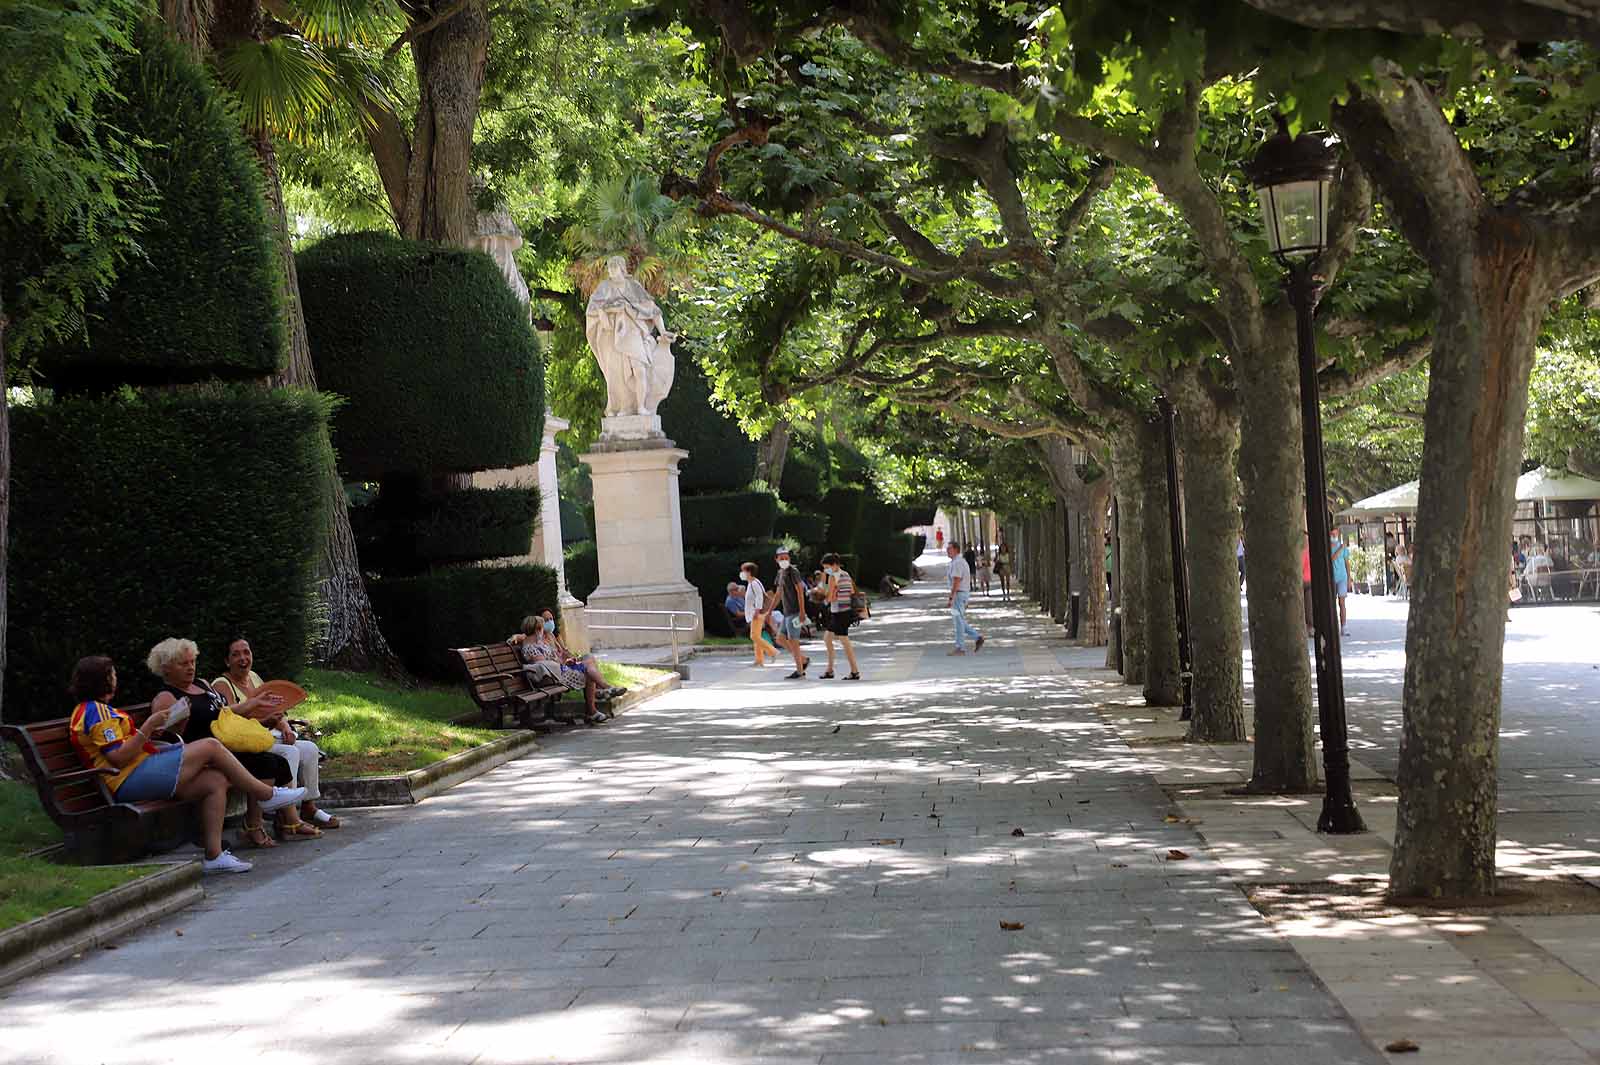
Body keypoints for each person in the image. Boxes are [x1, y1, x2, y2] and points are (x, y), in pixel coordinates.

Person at [68, 655, 305, 875]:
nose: (116, 678)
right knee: (211, 746)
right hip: (125, 780)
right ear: (103, 681)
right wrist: (148, 727)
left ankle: (214, 856)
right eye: (112, 674)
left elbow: (128, 747)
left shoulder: (99, 710)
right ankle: (266, 794)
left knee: (215, 780)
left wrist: (163, 730)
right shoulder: (95, 712)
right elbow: (118, 757)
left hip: (139, 771)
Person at [148, 637, 302, 851]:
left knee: (273, 762)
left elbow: (224, 713)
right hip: (202, 755)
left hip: (225, 744)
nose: (190, 667)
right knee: (265, 763)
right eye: (183, 664)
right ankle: (263, 812)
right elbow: (163, 736)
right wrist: (177, 725)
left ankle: (261, 815)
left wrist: (253, 704)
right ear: (166, 669)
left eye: (192, 661)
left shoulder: (202, 684)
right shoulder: (166, 697)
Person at [214, 635, 336, 835]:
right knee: (290, 753)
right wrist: (265, 722)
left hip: (270, 735)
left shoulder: (254, 677)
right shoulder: (222, 684)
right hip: (249, 743)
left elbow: (276, 710)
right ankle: (288, 817)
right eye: (236, 655)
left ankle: (308, 806)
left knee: (310, 749)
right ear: (227, 661)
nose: (243, 658)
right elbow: (229, 722)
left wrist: (285, 727)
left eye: (246, 652)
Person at [509, 616, 607, 724]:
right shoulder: (530, 647)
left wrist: (565, 661)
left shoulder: (539, 643)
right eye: (542, 628)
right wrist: (561, 662)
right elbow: (544, 665)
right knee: (588, 671)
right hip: (551, 677)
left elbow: (552, 660)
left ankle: (601, 694)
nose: (543, 631)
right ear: (537, 630)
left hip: (559, 671)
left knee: (588, 663)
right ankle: (599, 698)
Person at [539, 609, 625, 700]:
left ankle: (601, 690)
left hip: (566, 665)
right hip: (560, 670)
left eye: (551, 619)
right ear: (539, 622)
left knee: (588, 657)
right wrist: (566, 661)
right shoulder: (539, 640)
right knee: (588, 666)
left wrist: (571, 658)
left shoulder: (552, 636)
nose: (550, 622)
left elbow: (564, 653)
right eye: (546, 620)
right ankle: (605, 688)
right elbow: (551, 661)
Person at [818, 553, 862, 680]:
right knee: (828, 638)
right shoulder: (846, 574)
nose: (826, 570)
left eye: (827, 567)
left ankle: (854, 671)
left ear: (834, 565)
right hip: (846, 611)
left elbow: (830, 597)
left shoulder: (833, 577)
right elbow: (852, 592)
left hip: (838, 612)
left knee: (844, 640)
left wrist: (824, 595)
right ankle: (830, 670)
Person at [772, 546, 811, 679]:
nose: (784, 559)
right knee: (780, 639)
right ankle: (803, 659)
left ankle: (800, 672)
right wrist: (769, 610)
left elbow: (800, 591)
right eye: (781, 558)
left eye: (786, 557)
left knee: (793, 641)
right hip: (787, 612)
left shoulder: (793, 571)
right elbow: (778, 594)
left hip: (794, 611)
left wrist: (802, 611)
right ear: (776, 559)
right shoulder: (780, 573)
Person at [946, 541, 984, 656]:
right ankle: (977, 637)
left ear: (956, 550)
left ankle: (960, 648)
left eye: (950, 549)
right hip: (962, 594)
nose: (947, 551)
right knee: (960, 620)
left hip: (959, 594)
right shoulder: (958, 561)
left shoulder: (958, 562)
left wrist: (951, 597)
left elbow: (957, 580)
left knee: (958, 622)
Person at [740, 562, 771, 667]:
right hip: (753, 613)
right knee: (756, 637)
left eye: (743, 571)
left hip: (756, 614)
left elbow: (759, 597)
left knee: (754, 636)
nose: (742, 573)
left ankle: (772, 652)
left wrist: (757, 611)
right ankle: (759, 660)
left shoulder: (754, 583)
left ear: (749, 572)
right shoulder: (752, 583)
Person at [1330, 533, 1351, 636]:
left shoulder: (1343, 548)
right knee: (1331, 604)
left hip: (1342, 578)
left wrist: (1349, 579)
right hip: (1331, 579)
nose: (1334, 536)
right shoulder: (1328, 547)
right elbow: (1331, 559)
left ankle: (1344, 626)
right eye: (1332, 534)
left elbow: (1347, 563)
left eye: (1335, 534)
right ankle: (1333, 626)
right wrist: (1340, 549)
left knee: (1342, 603)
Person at [994, 536, 1013, 602]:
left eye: (1004, 547)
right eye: (1002, 548)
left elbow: (1010, 561)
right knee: (1002, 582)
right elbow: (996, 561)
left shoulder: (1008, 554)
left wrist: (1011, 568)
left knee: (1008, 582)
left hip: (1007, 567)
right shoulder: (999, 555)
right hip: (1001, 568)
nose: (1003, 549)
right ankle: (1004, 594)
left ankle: (1008, 594)